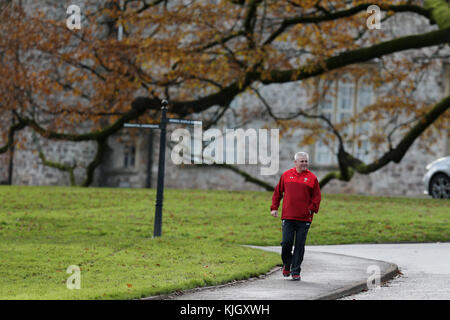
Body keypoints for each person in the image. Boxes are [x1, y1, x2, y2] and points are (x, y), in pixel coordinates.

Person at [270, 151, 321, 281]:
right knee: (286, 243)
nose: (304, 163)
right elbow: (278, 192)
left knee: (299, 245)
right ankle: (287, 264)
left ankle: (296, 271)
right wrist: (274, 208)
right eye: (302, 161)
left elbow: (317, 197)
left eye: (306, 161)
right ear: (295, 162)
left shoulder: (312, 178)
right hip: (288, 216)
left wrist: (311, 210)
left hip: (304, 218)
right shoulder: (286, 175)